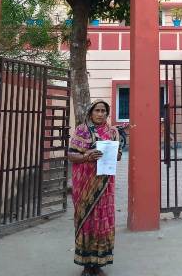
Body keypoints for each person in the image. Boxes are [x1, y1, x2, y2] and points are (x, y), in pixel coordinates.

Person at [68, 99, 122, 276]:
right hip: (84, 185)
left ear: (107, 113)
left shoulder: (112, 132)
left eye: (103, 111)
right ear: (91, 112)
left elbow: (118, 155)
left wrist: (116, 154)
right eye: (97, 110)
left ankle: (98, 265)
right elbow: (71, 154)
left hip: (105, 185)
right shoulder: (81, 130)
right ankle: (86, 265)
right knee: (86, 222)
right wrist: (87, 156)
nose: (100, 114)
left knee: (101, 222)